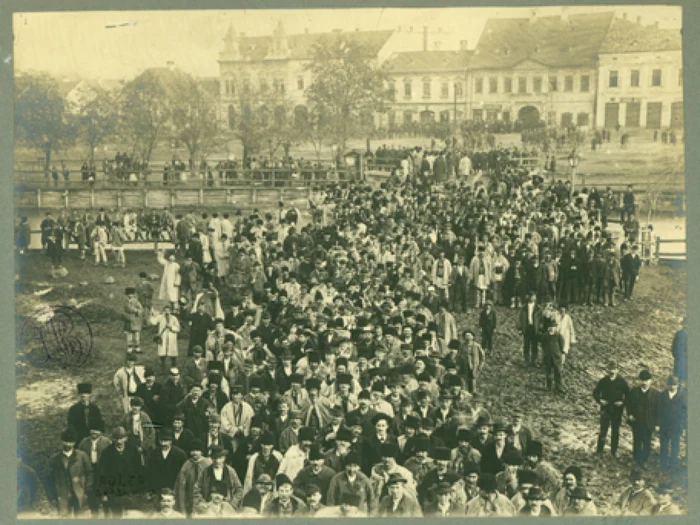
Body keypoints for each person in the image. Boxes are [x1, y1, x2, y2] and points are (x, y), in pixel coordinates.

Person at [96, 427, 145, 518]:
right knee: (116, 515)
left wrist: (139, 490)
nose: (119, 441)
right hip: (114, 492)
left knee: (130, 515)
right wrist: (103, 493)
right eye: (116, 439)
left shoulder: (133, 450)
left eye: (121, 438)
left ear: (126, 438)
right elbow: (102, 474)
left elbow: (139, 471)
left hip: (130, 491)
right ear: (113, 439)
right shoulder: (107, 452)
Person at [45, 428, 92, 517]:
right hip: (62, 497)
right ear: (62, 441)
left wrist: (86, 491)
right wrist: (52, 497)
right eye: (65, 441)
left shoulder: (82, 456)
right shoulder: (54, 459)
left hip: (79, 496)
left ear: (74, 443)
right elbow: (48, 479)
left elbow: (90, 473)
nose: (68, 444)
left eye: (70, 442)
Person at [593, 362, 629, 457]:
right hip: (605, 410)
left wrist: (623, 402)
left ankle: (614, 451)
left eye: (614, 369)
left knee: (615, 431)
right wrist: (600, 400)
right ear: (607, 370)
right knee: (603, 430)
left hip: (617, 411)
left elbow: (629, 395)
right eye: (610, 369)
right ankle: (599, 450)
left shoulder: (622, 382)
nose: (612, 371)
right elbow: (595, 392)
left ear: (617, 370)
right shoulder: (603, 381)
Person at [193, 444, 244, 510]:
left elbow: (239, 489)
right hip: (209, 507)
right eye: (215, 458)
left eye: (220, 458)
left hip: (227, 507)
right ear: (211, 458)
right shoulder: (205, 472)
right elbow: (196, 490)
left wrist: (232, 504)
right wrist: (202, 503)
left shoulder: (230, 471)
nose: (217, 461)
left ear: (224, 458)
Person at [626, 369, 658, 468]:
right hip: (637, 421)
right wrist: (630, 414)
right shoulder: (634, 392)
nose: (644, 382)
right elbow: (628, 404)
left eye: (647, 380)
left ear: (650, 381)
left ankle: (644, 460)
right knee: (637, 441)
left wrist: (657, 424)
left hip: (649, 422)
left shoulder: (655, 394)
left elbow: (658, 410)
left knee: (647, 442)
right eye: (642, 380)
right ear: (639, 381)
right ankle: (636, 460)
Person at [174, 438, 212, 517]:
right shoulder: (187, 464)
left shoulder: (208, 463)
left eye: (197, 450)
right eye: (193, 450)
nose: (195, 453)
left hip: (204, 496)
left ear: (201, 452)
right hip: (189, 496)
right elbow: (181, 484)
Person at [657, 375, 686, 471]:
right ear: (667, 385)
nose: (672, 387)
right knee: (664, 445)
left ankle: (673, 464)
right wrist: (658, 424)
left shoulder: (682, 396)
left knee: (675, 445)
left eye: (674, 385)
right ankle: (663, 464)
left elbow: (684, 412)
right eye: (670, 385)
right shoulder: (662, 395)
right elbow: (658, 411)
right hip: (664, 425)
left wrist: (682, 426)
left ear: (677, 385)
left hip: (676, 426)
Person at [150, 305, 181, 372]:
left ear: (170, 311)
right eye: (165, 311)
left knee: (173, 354)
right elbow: (153, 322)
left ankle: (173, 368)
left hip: (171, 338)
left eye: (168, 310)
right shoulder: (160, 317)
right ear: (163, 311)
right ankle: (162, 368)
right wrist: (152, 315)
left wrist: (171, 327)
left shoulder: (174, 318)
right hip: (163, 338)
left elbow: (178, 329)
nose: (167, 312)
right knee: (162, 354)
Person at [540, 320, 566, 394]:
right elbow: (543, 344)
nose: (552, 328)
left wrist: (558, 353)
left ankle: (559, 387)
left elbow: (562, 345)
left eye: (553, 327)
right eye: (550, 327)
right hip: (548, 357)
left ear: (555, 328)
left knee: (558, 372)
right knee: (548, 373)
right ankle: (549, 387)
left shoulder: (558, 336)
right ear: (548, 328)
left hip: (556, 357)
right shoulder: (545, 336)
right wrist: (546, 352)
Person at [519, 292, 541, 366]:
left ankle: (534, 360)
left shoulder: (538, 308)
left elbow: (541, 320)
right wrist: (520, 328)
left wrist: (540, 328)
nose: (533, 298)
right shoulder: (524, 307)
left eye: (534, 297)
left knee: (534, 345)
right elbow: (521, 319)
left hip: (535, 328)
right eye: (532, 296)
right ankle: (526, 360)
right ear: (528, 297)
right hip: (527, 327)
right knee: (526, 344)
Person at [671, 317, 687, 382]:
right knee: (677, 379)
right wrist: (677, 356)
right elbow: (673, 346)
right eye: (685, 324)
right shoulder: (679, 334)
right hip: (679, 361)